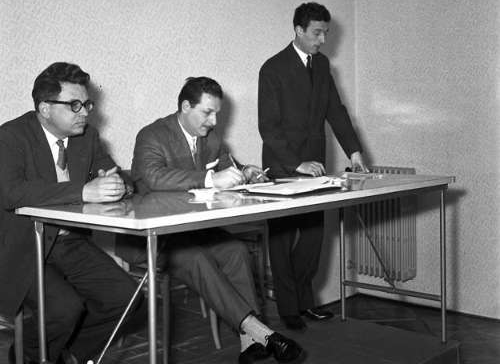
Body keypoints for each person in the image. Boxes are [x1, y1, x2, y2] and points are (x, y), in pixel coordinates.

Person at [117, 77, 304, 364]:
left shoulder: (212, 139)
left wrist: (246, 172)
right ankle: (263, 333)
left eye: (217, 113)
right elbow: (153, 178)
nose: (214, 121)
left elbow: (230, 168)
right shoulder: (152, 135)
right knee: (196, 258)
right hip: (151, 237)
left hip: (190, 231)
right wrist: (210, 179)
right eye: (207, 113)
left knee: (236, 250)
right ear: (185, 106)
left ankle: (248, 342)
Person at [0, 62, 146, 364]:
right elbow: (11, 192)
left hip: (69, 243)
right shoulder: (11, 137)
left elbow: (115, 173)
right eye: (75, 105)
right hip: (22, 247)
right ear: (45, 108)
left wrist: (120, 184)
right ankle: (27, 357)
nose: (85, 113)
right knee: (64, 309)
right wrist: (83, 191)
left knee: (128, 297)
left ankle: (70, 354)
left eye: (87, 104)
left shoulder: (87, 137)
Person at [258, 2, 368, 331]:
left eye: (326, 33)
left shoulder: (322, 65)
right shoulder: (272, 68)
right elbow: (268, 127)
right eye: (317, 33)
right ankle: (288, 308)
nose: (322, 40)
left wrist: (354, 152)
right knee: (281, 241)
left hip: (317, 167)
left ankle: (305, 302)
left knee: (312, 237)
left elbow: (336, 111)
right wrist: (297, 164)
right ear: (299, 30)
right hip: (282, 167)